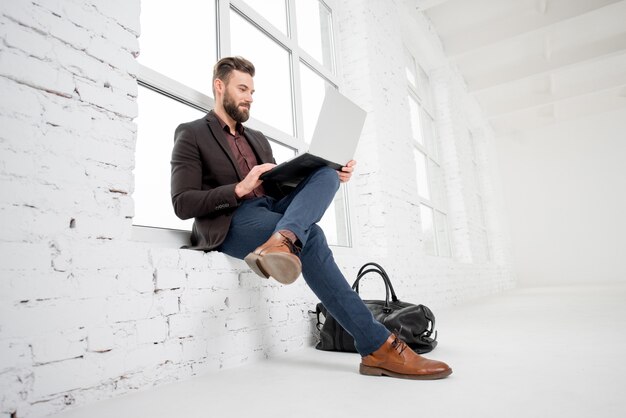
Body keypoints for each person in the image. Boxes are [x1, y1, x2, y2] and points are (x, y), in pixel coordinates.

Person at [170, 56, 452, 380]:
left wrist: (317, 171)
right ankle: (378, 346)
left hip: (271, 210)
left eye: (252, 90)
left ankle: (283, 239)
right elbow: (182, 203)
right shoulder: (192, 134)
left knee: (327, 173)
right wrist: (240, 188)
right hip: (231, 222)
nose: (250, 96)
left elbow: (277, 188)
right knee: (312, 237)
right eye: (243, 88)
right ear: (219, 87)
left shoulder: (257, 140)